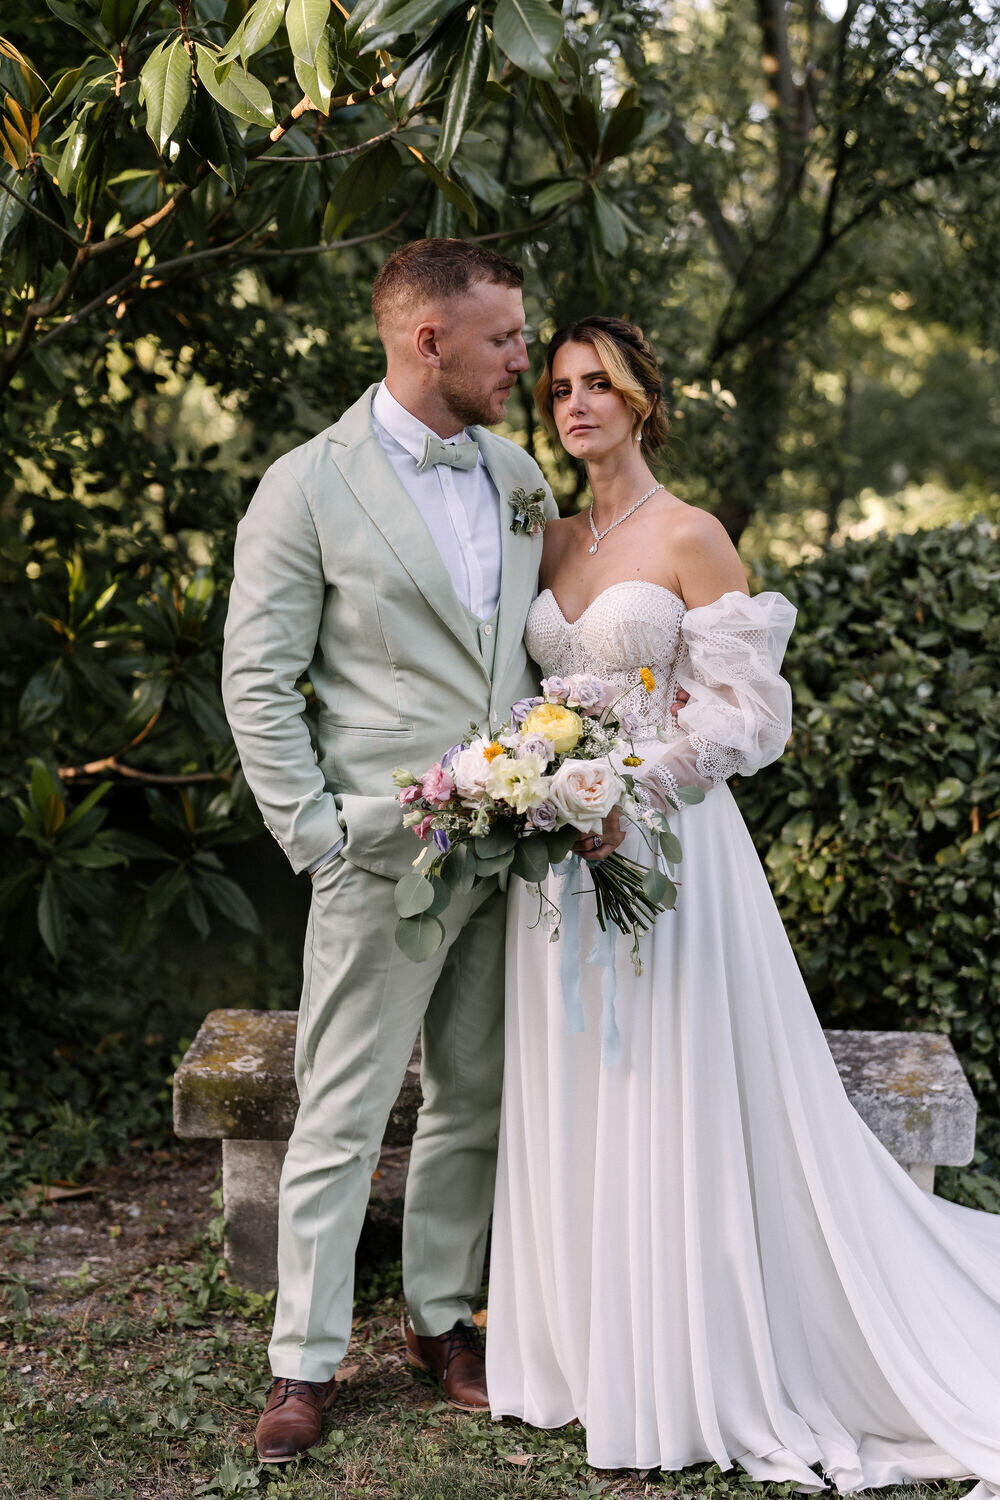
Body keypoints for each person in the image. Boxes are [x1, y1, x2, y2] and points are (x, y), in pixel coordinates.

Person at [485, 315, 1000, 1498]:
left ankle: (681, 1359)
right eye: (558, 386)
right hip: (557, 863)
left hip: (668, 856)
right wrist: (534, 786)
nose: (574, 404)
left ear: (641, 400)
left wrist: (630, 786)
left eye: (597, 384)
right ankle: (582, 1352)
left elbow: (747, 717)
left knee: (664, 1084)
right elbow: (529, 692)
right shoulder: (550, 537)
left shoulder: (690, 533)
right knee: (576, 1087)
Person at [221, 238, 561, 1464]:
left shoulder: (521, 475)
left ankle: (438, 1323)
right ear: (430, 342)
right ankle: (303, 1363)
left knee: (475, 1096)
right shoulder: (306, 486)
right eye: (504, 341)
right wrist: (316, 838)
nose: (524, 358)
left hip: (511, 844)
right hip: (379, 849)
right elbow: (257, 683)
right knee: (344, 1111)